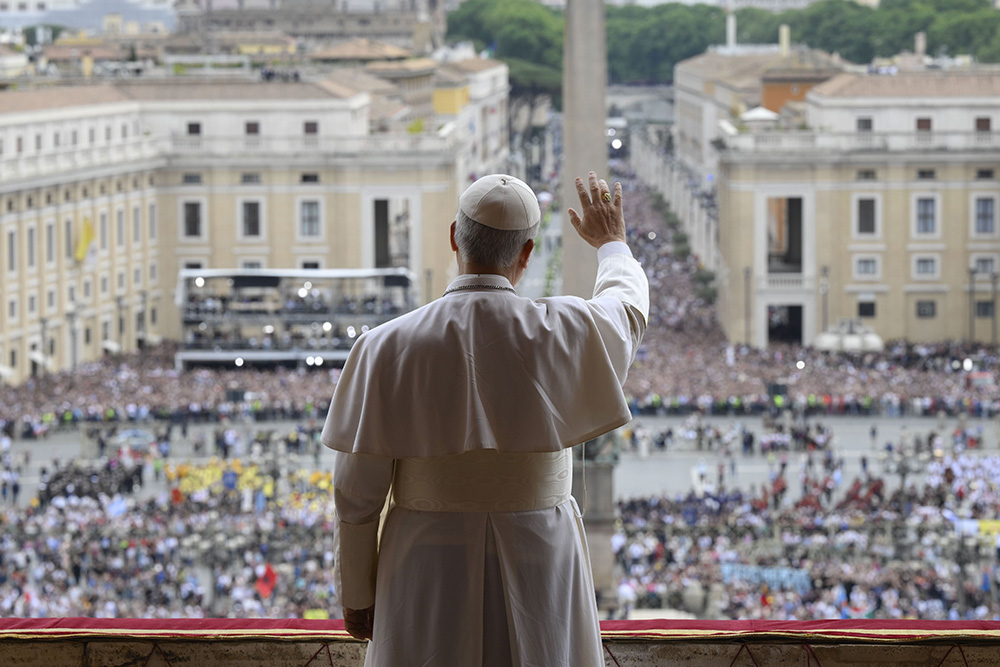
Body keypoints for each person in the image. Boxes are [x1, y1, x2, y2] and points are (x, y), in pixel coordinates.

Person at [322, 171, 649, 666]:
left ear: (455, 237)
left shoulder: (383, 345)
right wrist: (612, 245)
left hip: (425, 558)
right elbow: (626, 310)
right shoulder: (566, 329)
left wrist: (358, 594)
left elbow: (357, 493)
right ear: (527, 253)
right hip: (540, 553)